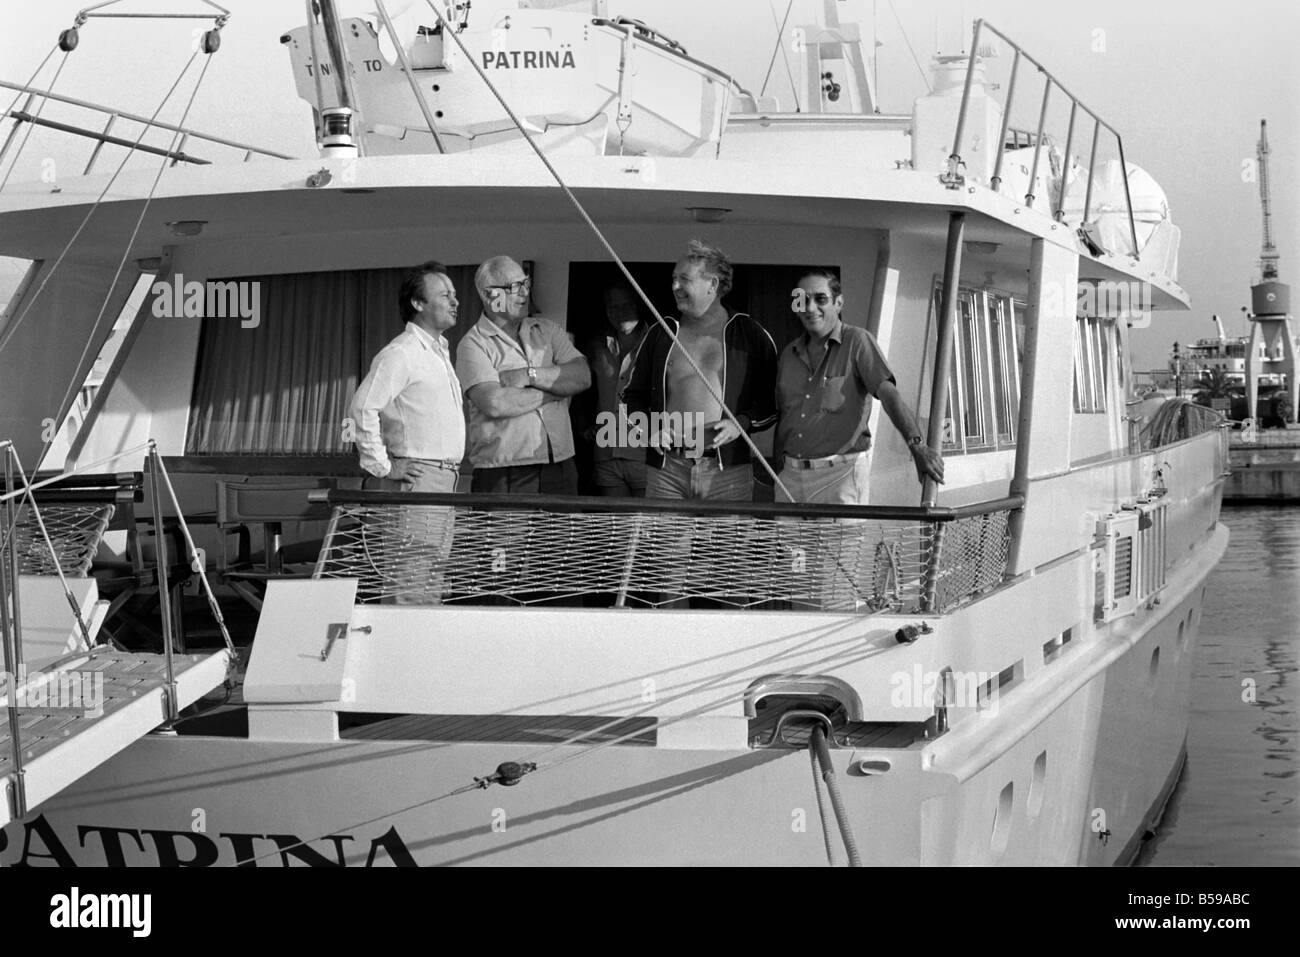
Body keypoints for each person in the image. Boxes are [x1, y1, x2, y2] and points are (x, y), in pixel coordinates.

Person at [623, 239, 777, 501]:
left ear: (713, 285)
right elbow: (631, 397)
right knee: (663, 546)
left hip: (728, 473)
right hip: (667, 470)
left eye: (684, 279)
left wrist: (740, 424)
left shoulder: (751, 335)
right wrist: (650, 429)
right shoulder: (660, 333)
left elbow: (771, 404)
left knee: (726, 546)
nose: (675, 286)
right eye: (674, 279)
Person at [775, 268, 944, 504]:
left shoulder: (857, 341)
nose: (810, 307)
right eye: (802, 300)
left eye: (820, 299)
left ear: (839, 303)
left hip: (840, 477)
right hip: (790, 479)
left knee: (841, 544)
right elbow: (784, 418)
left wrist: (917, 445)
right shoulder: (788, 355)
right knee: (788, 544)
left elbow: (888, 394)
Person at [348, 260, 465, 602]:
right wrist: (384, 467)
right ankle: (399, 656)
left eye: (454, 294)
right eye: (445, 295)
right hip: (417, 478)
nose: (455, 301)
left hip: (444, 480)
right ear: (418, 304)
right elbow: (361, 408)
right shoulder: (402, 353)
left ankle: (423, 656)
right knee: (410, 584)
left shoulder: (438, 353)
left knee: (432, 583)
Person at [457, 256, 592, 494]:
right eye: (514, 287)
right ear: (489, 295)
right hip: (504, 471)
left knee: (561, 534)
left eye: (525, 284)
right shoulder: (473, 344)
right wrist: (555, 391)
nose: (524, 293)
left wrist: (530, 376)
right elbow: (495, 403)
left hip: (560, 464)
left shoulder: (548, 331)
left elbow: (582, 377)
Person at [584, 282, 650, 496]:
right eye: (613, 307)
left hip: (646, 454)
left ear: (639, 304)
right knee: (616, 528)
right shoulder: (597, 345)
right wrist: (583, 425)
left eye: (626, 305)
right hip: (605, 452)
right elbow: (582, 390)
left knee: (647, 527)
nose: (620, 312)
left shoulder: (660, 341)